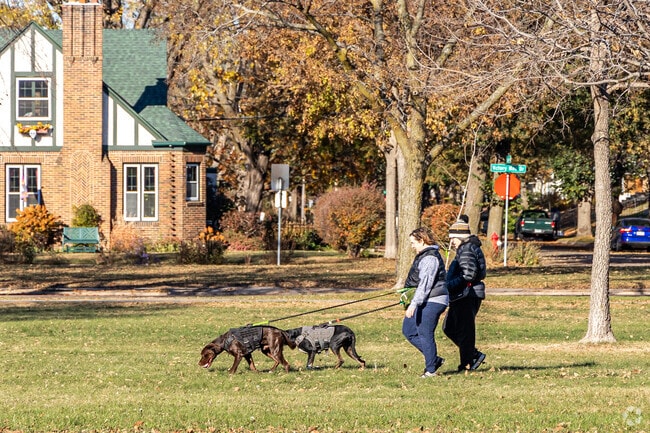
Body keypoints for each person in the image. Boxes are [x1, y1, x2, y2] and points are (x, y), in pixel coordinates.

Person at [401, 227, 449, 378]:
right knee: (408, 330)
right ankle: (434, 359)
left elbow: (425, 285)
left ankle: (431, 370)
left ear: (422, 240)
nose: (412, 246)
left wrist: (414, 304)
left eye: (413, 242)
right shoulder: (423, 256)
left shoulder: (430, 258)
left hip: (434, 300)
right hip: (424, 299)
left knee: (424, 333)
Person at [443, 220, 487, 372]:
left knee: (464, 331)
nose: (451, 242)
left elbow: (468, 275)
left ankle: (467, 364)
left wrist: (449, 285)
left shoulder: (467, 248)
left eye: (453, 238)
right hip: (463, 295)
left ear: (461, 237)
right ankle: (472, 355)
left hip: (467, 295)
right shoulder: (466, 248)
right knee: (449, 328)